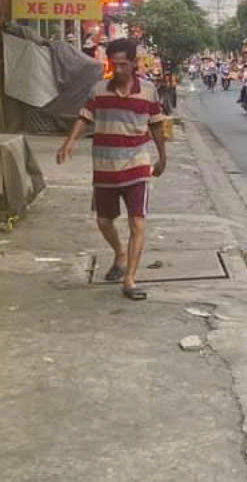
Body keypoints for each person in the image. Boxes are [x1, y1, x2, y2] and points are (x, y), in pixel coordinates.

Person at [56, 38, 167, 301]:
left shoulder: (149, 91)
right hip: (105, 167)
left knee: (137, 223)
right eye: (113, 65)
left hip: (138, 166)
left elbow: (157, 125)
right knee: (104, 221)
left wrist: (162, 157)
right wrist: (70, 142)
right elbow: (85, 117)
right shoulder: (98, 91)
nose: (118, 70)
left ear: (134, 63)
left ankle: (130, 279)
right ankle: (119, 252)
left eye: (123, 65)